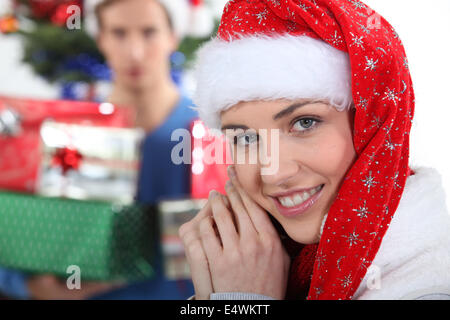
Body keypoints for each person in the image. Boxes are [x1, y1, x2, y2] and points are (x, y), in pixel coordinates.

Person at [179, 0, 450, 300]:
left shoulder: (428, 290)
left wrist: (242, 302)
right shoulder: (260, 262)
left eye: (304, 122)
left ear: (374, 127)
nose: (274, 173)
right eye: (245, 138)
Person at [0, 0, 197, 300]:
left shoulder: (212, 129)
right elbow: (18, 228)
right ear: (100, 38)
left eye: (149, 32)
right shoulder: (67, 129)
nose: (135, 52)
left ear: (174, 36)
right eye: (119, 33)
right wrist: (28, 287)